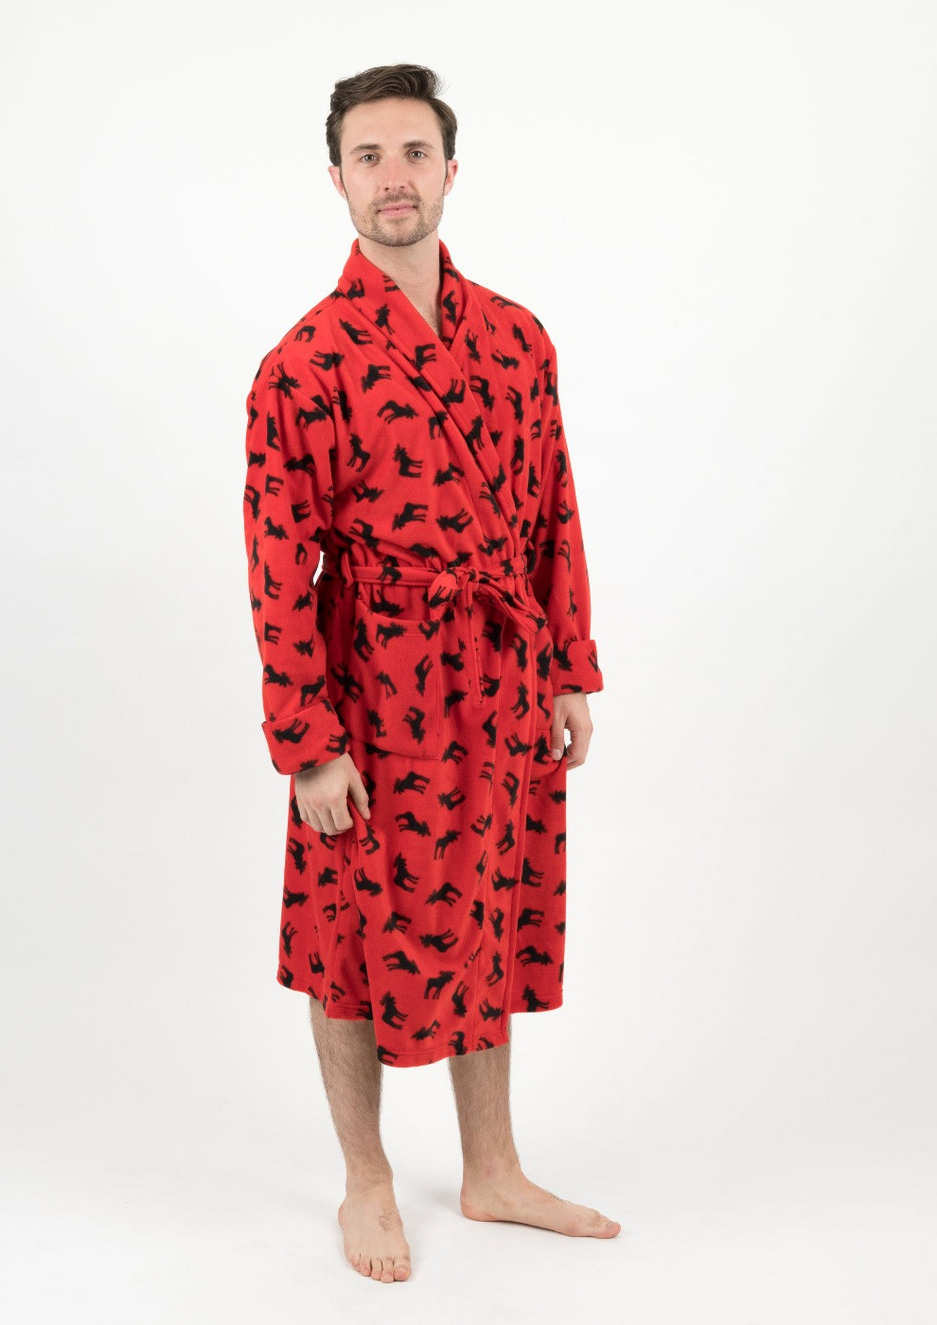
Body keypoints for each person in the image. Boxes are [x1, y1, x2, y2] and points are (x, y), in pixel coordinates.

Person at [242, 63, 620, 1284]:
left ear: (450, 170)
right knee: (348, 927)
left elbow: (554, 510)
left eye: (414, 152)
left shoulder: (517, 337)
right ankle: (365, 1176)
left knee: (490, 905)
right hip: (372, 686)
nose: (393, 177)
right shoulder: (302, 363)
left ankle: (491, 1166)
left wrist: (567, 667)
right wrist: (307, 741)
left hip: (501, 675)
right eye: (369, 156)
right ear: (337, 179)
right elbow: (276, 563)